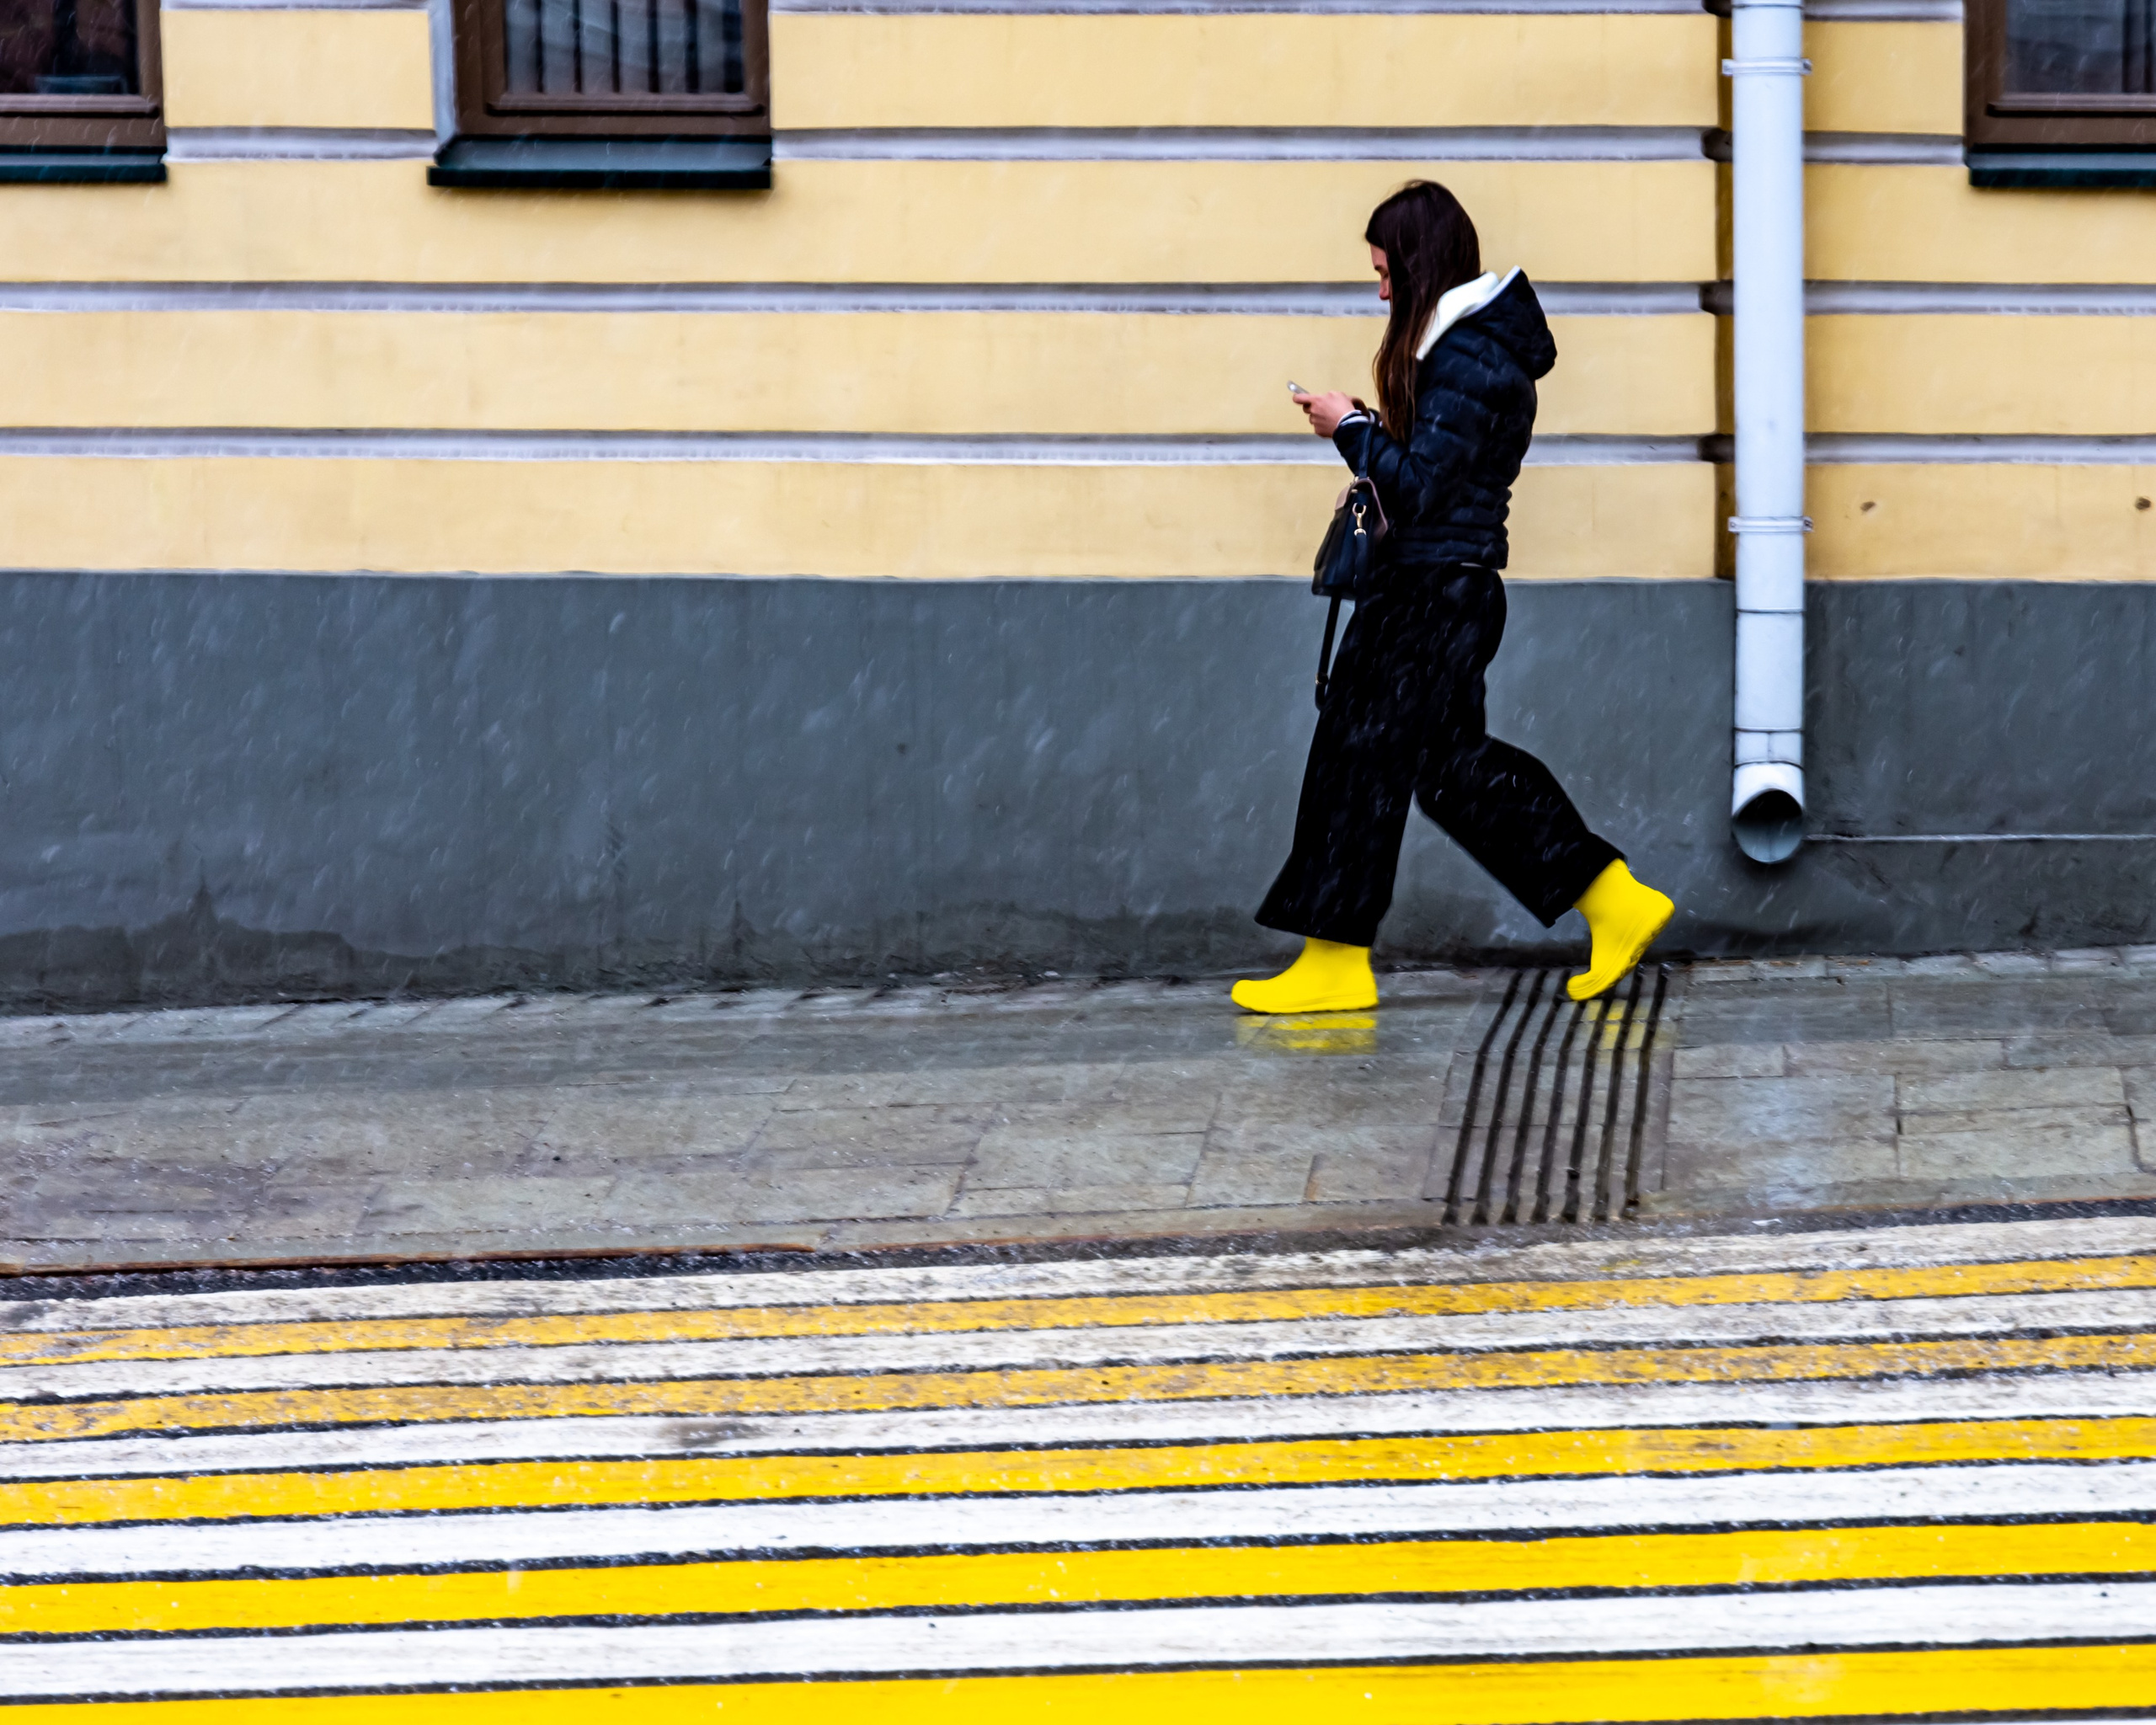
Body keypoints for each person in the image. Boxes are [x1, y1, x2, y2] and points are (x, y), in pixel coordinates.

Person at [1233, 180, 1673, 1017]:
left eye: (1386, 273)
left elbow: (1426, 487)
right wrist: (1372, 436)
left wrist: (1350, 430)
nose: (1379, 291)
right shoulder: (1463, 351)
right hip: (1439, 591)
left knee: (1363, 766)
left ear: (1420, 264)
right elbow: (1434, 473)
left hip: (1428, 599)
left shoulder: (1470, 355)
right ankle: (1610, 900)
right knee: (1439, 770)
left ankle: (1337, 963)